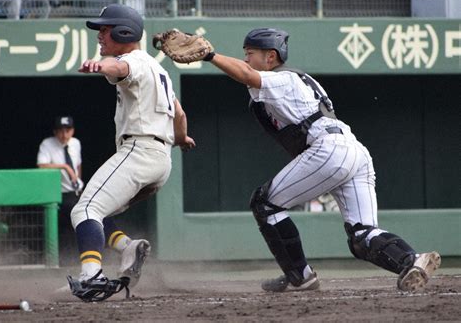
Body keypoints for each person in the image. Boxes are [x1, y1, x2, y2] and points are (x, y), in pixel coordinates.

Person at [186, 27, 441, 293]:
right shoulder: (293, 81)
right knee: (362, 235)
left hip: (329, 148)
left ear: (270, 57)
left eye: (250, 53)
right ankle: (411, 260)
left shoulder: (283, 78)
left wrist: (210, 56)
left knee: (265, 204)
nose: (246, 59)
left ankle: (300, 274)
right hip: (352, 150)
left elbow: (248, 75)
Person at [67, 3, 195, 302]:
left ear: (125, 31)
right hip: (161, 162)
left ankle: (92, 276)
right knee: (98, 209)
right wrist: (182, 138)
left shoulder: (133, 59)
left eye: (105, 29)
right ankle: (127, 247)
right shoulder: (159, 69)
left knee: (84, 210)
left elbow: (120, 67)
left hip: (139, 150)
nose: (100, 35)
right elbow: (179, 113)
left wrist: (101, 66)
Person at [37, 116, 84, 265]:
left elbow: (78, 164)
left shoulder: (76, 143)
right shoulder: (47, 144)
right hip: (57, 194)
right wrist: (65, 167)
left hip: (75, 192)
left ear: (73, 131)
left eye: (68, 130)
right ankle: (57, 262)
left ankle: (78, 261)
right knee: (60, 230)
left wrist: (77, 181)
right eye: (60, 131)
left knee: (80, 226)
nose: (64, 135)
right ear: (55, 132)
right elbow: (41, 165)